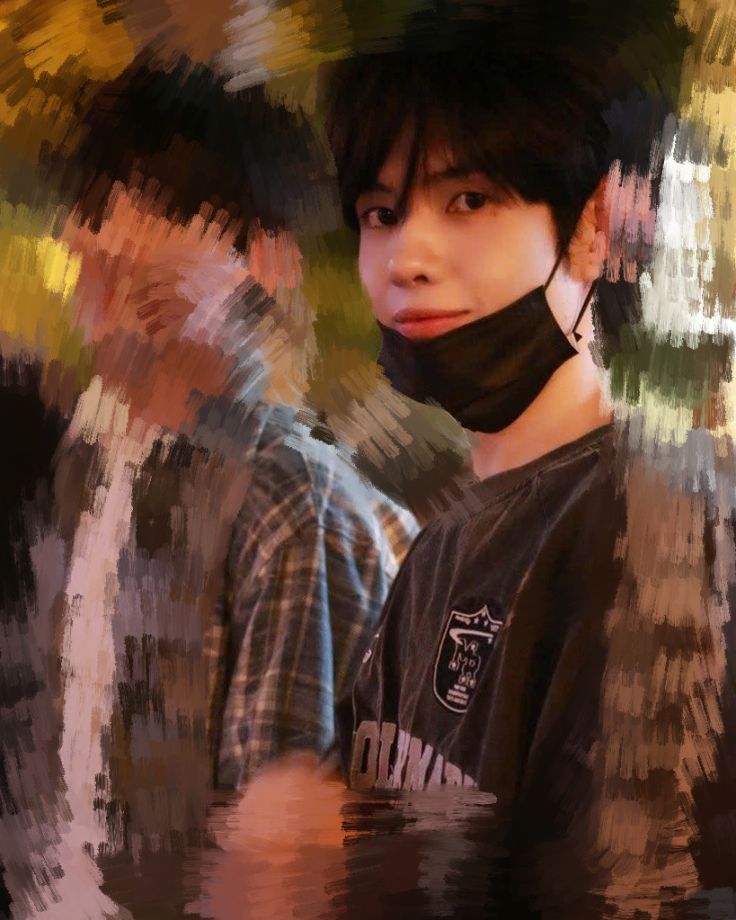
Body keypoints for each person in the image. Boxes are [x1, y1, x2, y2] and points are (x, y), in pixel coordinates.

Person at [195, 4, 736, 919]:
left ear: (594, 224)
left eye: (470, 200)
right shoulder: (440, 552)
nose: (407, 258)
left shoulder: (667, 523)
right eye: (381, 213)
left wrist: (333, 871)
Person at [0, 53, 417, 918]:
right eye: (97, 207)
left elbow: (279, 873)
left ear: (265, 261)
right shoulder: (83, 466)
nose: (111, 238)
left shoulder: (294, 502)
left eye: (162, 207)